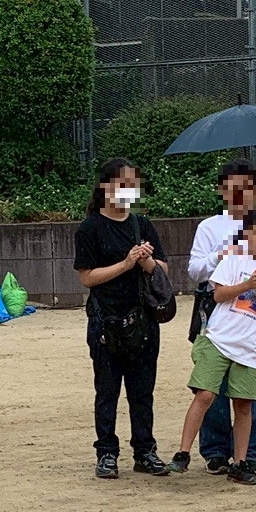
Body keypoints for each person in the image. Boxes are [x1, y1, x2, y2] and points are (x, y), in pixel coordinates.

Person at [170, 204, 256, 484]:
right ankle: (183, 452)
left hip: (251, 347)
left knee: (243, 404)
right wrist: (248, 285)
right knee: (205, 395)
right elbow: (219, 295)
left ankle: (242, 461)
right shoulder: (233, 260)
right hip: (219, 339)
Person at [74, 158, 169, 479]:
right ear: (105, 187)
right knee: (108, 390)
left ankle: (145, 450)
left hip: (143, 320)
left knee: (142, 391)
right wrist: (125, 264)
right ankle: (107, 452)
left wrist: (146, 262)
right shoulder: (89, 228)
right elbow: (86, 277)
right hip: (105, 321)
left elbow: (164, 272)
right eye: (121, 183)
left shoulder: (142, 224)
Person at [184, 160, 256, 476]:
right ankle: (215, 451)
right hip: (217, 306)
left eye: (248, 186)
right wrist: (221, 255)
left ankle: (249, 453)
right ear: (223, 190)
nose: (241, 193)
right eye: (234, 187)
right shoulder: (210, 227)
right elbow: (194, 271)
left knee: (252, 385)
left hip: (255, 310)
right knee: (213, 384)